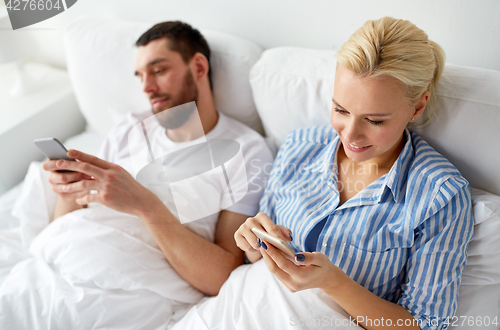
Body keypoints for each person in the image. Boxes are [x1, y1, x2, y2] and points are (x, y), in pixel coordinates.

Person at [173, 17, 474, 330]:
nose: (351, 136)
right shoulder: (299, 146)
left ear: (417, 107)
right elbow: (255, 260)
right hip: (233, 311)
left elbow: (424, 325)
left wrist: (335, 284)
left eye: (374, 120)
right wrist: (253, 243)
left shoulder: (441, 195)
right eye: (341, 110)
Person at [0, 21, 273, 329]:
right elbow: (67, 223)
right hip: (53, 265)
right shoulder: (129, 128)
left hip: (120, 291)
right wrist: (69, 189)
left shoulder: (247, 152)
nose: (146, 87)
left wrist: (144, 203)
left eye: (158, 71)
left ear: (198, 66)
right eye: (141, 76)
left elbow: (223, 274)